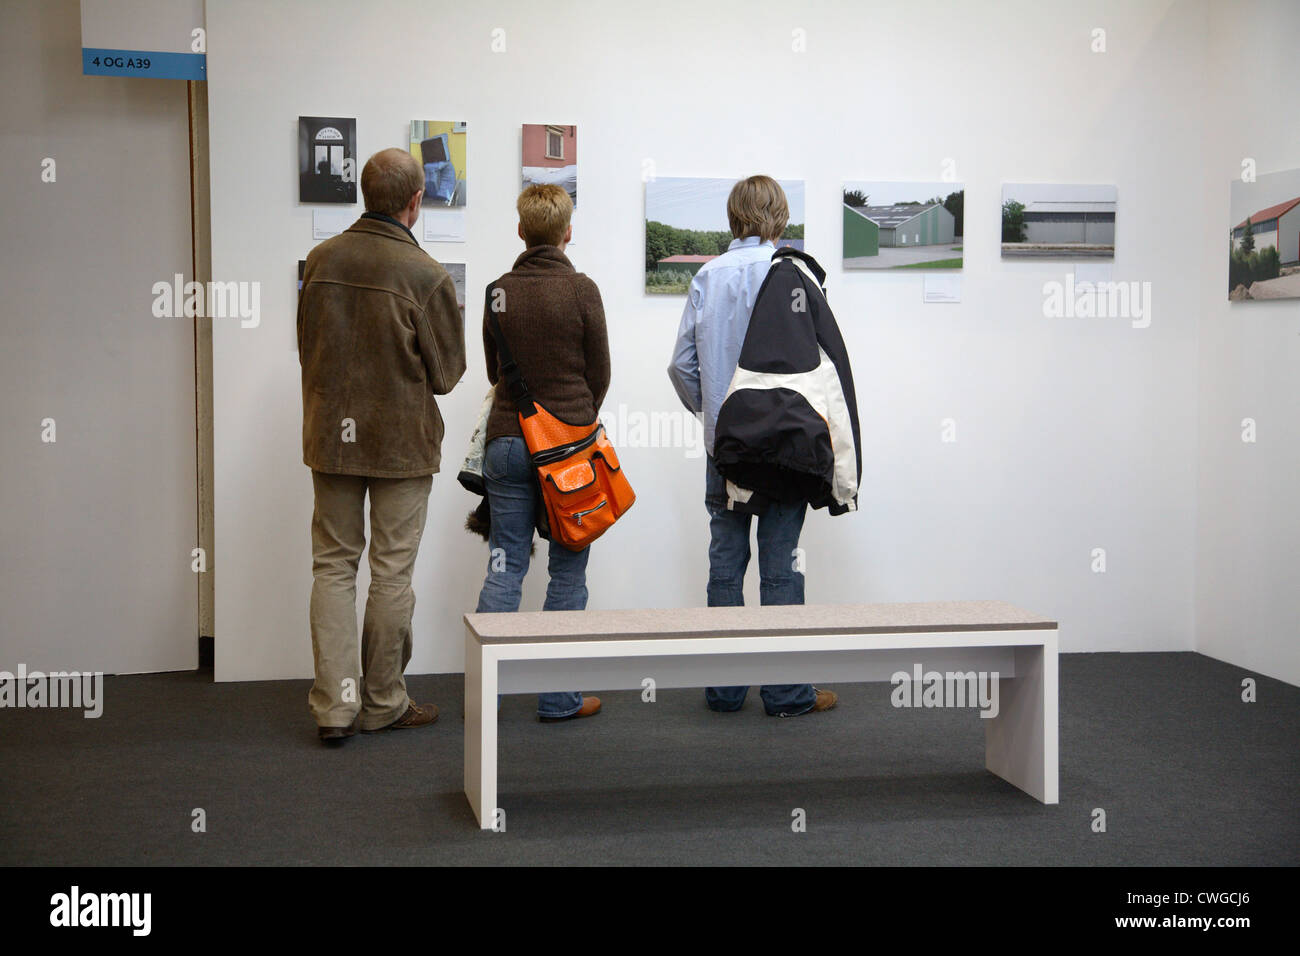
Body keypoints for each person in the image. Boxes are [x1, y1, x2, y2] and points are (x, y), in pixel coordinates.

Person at [298, 148, 466, 743]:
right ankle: (383, 701)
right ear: (416, 201)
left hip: (332, 439)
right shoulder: (426, 274)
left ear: (363, 194)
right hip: (400, 445)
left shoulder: (320, 260)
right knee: (391, 573)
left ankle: (335, 709)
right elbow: (446, 376)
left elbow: (307, 348)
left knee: (334, 568)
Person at [667, 175, 838, 718]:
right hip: (785, 445)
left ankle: (724, 690)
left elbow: (680, 365)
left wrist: (714, 414)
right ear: (780, 220)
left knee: (725, 560)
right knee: (781, 562)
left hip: (727, 449)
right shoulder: (794, 276)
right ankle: (787, 693)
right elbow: (820, 366)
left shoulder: (707, 277)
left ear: (732, 218)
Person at [475, 184, 609, 722]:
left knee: (504, 565)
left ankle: (484, 697)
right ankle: (559, 698)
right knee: (568, 572)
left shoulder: (496, 292)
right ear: (567, 232)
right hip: (571, 452)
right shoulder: (583, 290)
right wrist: (572, 417)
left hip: (507, 442)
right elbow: (599, 374)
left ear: (520, 230)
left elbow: (493, 373)